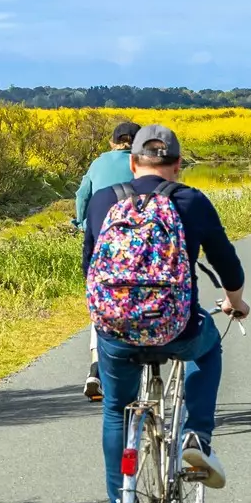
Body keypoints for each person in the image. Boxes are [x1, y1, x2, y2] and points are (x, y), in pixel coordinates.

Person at [81, 124, 249, 503]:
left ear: (133, 163)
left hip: (116, 330)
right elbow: (227, 263)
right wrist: (237, 302)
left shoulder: (104, 201)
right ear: (177, 166)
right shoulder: (191, 200)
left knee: (117, 410)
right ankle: (197, 437)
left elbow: (88, 267)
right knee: (209, 349)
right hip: (176, 327)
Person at [74, 119, 142, 402]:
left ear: (113, 142)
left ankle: (95, 366)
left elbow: (82, 194)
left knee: (100, 300)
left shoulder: (99, 163)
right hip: (138, 243)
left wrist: (81, 222)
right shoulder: (143, 164)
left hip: (101, 240)